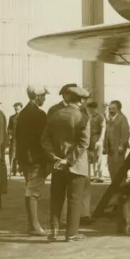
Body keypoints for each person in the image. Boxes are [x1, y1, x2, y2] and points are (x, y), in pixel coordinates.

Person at [41, 86, 91, 241]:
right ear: (81, 100)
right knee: (75, 199)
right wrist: (68, 160)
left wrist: (55, 158)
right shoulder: (83, 117)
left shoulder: (55, 115)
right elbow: (84, 143)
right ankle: (71, 233)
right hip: (76, 165)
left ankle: (54, 231)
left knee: (56, 197)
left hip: (57, 165)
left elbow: (44, 139)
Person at [15, 86, 49, 235]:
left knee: (29, 188)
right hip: (35, 158)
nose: (45, 99)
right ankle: (35, 227)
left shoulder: (22, 113)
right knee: (33, 190)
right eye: (43, 96)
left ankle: (32, 225)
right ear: (37, 96)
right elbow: (43, 139)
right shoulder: (40, 114)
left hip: (25, 158)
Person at [103, 100, 130, 182]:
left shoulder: (122, 118)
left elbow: (126, 133)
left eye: (113, 109)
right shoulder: (110, 119)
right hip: (110, 149)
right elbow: (106, 133)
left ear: (118, 109)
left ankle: (121, 186)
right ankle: (114, 186)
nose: (111, 110)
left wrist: (122, 145)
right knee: (111, 167)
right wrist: (105, 146)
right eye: (110, 109)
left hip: (118, 148)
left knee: (119, 167)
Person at [87, 102, 105, 183]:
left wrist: (100, 140)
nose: (91, 110)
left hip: (97, 137)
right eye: (90, 108)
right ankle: (93, 175)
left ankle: (99, 176)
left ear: (96, 108)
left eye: (93, 108)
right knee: (92, 157)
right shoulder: (89, 117)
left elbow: (103, 130)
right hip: (90, 138)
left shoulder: (100, 117)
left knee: (98, 157)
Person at [7, 102, 23, 177]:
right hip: (14, 139)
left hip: (21, 138)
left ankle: (21, 170)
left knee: (21, 153)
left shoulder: (24, 117)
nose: (17, 111)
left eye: (18, 109)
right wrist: (9, 134)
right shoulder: (12, 117)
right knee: (13, 154)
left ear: (21, 108)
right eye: (16, 109)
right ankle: (13, 170)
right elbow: (9, 127)